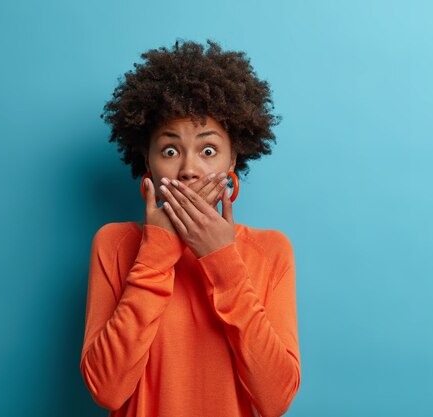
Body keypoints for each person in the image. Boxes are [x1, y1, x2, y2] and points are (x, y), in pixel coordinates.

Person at [80, 39, 301, 417]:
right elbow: (107, 390)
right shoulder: (114, 244)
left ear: (234, 157)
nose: (188, 169)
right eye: (169, 150)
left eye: (208, 150)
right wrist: (155, 254)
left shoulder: (271, 250)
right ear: (146, 161)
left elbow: (275, 400)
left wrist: (223, 261)